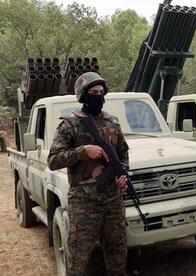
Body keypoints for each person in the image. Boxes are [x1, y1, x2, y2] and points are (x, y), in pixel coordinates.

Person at [48, 72, 129, 275]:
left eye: (102, 93)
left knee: (117, 253)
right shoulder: (70, 124)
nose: (99, 96)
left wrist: (123, 175)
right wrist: (83, 152)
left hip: (112, 199)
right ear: (83, 95)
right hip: (84, 202)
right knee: (77, 257)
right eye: (94, 92)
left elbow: (123, 154)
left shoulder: (112, 122)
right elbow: (53, 160)